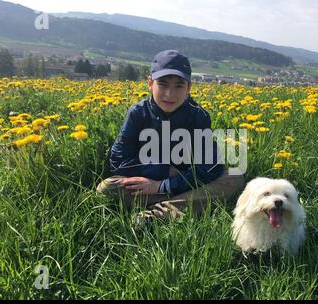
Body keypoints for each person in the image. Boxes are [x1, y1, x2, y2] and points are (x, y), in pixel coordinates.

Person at [96, 49, 245, 227]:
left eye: (179, 86)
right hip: (163, 184)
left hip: (182, 183)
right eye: (163, 84)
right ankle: (185, 205)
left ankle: (156, 214)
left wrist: (162, 186)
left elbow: (211, 166)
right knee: (106, 188)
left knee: (235, 176)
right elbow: (118, 162)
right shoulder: (137, 113)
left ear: (189, 88)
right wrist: (164, 172)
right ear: (150, 83)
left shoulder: (199, 116)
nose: (170, 93)